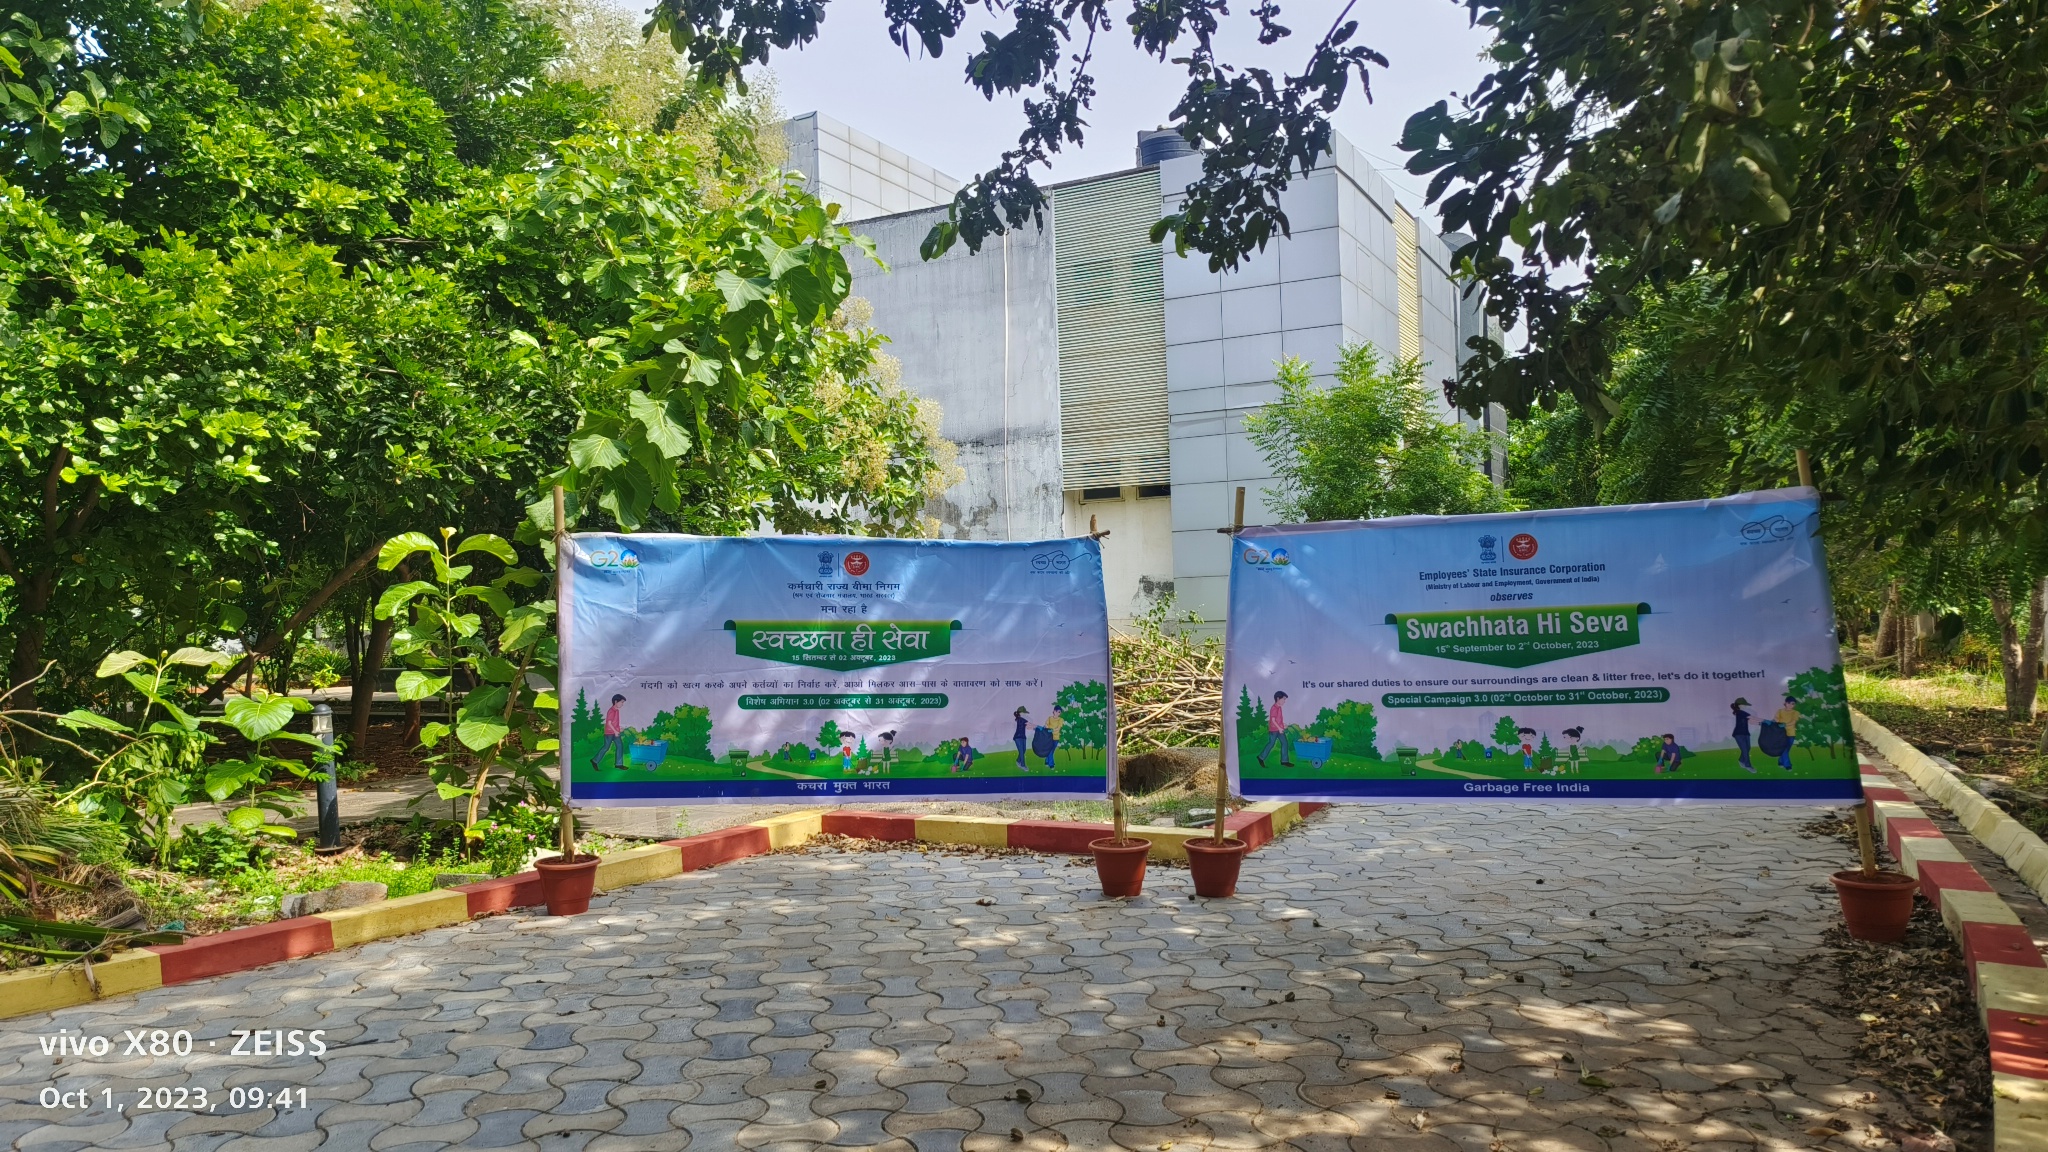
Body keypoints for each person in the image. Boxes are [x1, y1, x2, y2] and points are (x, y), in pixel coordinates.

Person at [592, 693, 627, 770]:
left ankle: (619, 764)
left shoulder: (617, 711)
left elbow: (614, 723)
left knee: (620, 746)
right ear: (616, 702)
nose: (622, 704)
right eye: (621, 702)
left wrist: (619, 729)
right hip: (609, 733)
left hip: (615, 732)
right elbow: (609, 723)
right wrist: (615, 731)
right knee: (606, 747)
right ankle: (594, 761)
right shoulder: (611, 711)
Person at [1257, 691, 1292, 768]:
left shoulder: (1279, 708)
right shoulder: (1274, 708)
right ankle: (1261, 757)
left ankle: (1284, 761)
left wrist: (1283, 725)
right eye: (1283, 699)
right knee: (1271, 744)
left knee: (1285, 743)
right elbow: (1273, 720)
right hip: (1274, 730)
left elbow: (1278, 720)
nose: (1284, 701)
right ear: (1278, 698)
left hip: (1279, 730)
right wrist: (1279, 728)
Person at [1772, 696, 1801, 770]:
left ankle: (1780, 761)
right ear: (1785, 703)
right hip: (1781, 734)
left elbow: (1793, 722)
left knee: (1786, 750)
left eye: (1793, 704)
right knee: (1784, 749)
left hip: (1791, 734)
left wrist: (1784, 724)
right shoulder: (1780, 711)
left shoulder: (1795, 712)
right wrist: (1773, 721)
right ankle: (1788, 765)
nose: (1790, 705)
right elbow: (1776, 719)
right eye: (1789, 703)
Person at [1730, 698, 1755, 772]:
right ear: (1740, 705)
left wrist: (1762, 723)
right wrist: (1764, 721)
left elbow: (1751, 721)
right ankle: (1748, 765)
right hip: (1739, 734)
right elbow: (1752, 718)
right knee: (1745, 750)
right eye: (1744, 705)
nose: (1746, 706)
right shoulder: (1739, 712)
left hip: (1746, 733)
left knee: (1748, 748)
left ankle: (1741, 760)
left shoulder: (1743, 713)